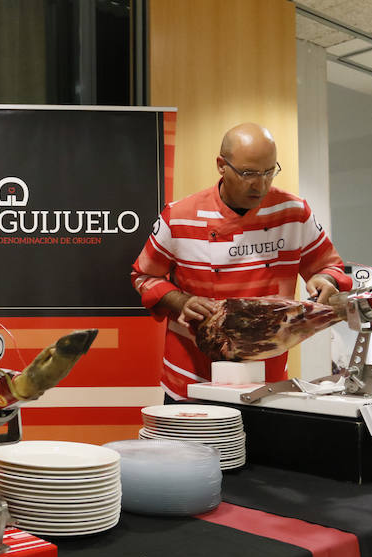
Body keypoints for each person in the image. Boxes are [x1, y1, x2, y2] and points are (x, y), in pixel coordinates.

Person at [131, 122, 352, 403]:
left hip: (266, 380)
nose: (260, 185)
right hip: (192, 378)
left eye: (269, 172)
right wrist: (180, 301)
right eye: (248, 173)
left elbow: (329, 266)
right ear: (221, 165)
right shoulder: (179, 216)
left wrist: (327, 280)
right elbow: (143, 276)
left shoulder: (293, 213)